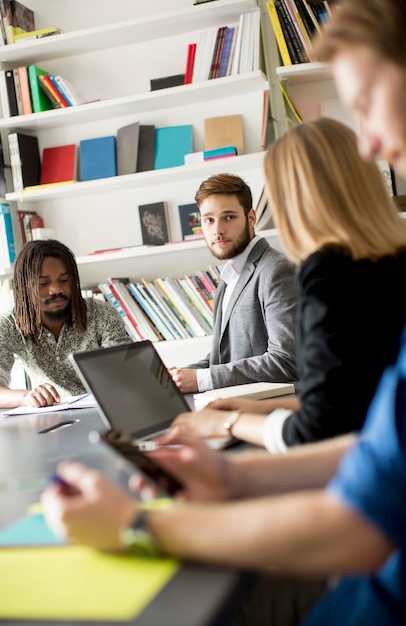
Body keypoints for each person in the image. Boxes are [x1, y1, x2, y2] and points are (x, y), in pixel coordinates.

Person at [41, 1, 406, 624]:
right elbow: (379, 450)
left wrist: (135, 526)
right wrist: (232, 476)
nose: (368, 142)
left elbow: (358, 519)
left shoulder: (305, 271)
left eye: (369, 101)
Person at [171, 118, 406, 451]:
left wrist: (231, 422)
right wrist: (257, 409)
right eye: (209, 219)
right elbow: (352, 396)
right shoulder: (390, 260)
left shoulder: (327, 272)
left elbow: (320, 422)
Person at [168, 173, 298, 394]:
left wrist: (200, 379)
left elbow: (286, 361)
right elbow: (222, 358)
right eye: (209, 220)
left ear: (251, 218)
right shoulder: (228, 278)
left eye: (228, 217)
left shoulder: (277, 270)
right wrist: (178, 377)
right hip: (233, 405)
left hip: (269, 413)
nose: (217, 230)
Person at [0, 239, 130, 409]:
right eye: (43, 283)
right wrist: (26, 396)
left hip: (106, 410)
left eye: (64, 280)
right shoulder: (8, 326)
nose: (56, 289)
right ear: (24, 286)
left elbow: (126, 369)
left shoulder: (101, 313)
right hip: (51, 419)